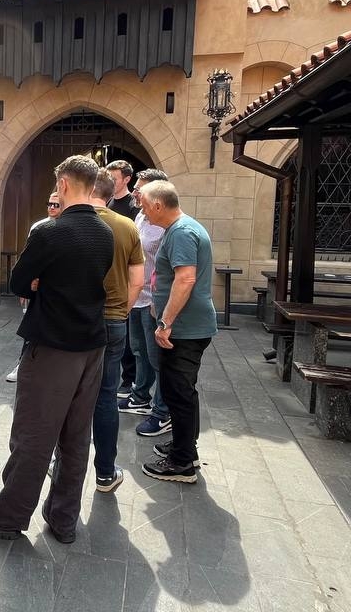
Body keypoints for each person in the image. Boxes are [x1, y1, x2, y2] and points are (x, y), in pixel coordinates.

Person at [0, 155, 113, 544]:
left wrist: (40, 283)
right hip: (92, 347)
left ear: (63, 184)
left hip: (53, 346)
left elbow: (18, 282)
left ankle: (8, 515)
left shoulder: (50, 232)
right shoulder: (105, 232)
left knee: (33, 434)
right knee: (76, 436)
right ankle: (63, 518)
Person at [138, 180, 217, 484]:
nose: (143, 212)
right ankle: (186, 448)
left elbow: (185, 279)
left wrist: (165, 322)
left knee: (179, 393)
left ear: (158, 205)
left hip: (183, 329)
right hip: (185, 327)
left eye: (145, 205)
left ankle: (182, 463)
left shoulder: (182, 232)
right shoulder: (180, 229)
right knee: (181, 391)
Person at [88, 170, 144, 493]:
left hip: (77, 322)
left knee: (68, 394)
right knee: (106, 395)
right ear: (111, 195)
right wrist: (122, 310)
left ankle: (61, 464)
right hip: (113, 319)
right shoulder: (127, 226)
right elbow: (138, 280)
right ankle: (105, 473)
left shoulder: (68, 222)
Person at [119, 169, 173, 440]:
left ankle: (162, 411)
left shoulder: (166, 224)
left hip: (154, 299)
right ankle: (140, 396)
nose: (135, 192)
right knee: (138, 350)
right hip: (137, 295)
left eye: (140, 189)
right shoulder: (141, 215)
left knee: (157, 357)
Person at [6, 192, 61, 383]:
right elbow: (29, 258)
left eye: (56, 204)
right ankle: (22, 364)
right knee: (30, 328)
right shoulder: (39, 227)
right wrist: (26, 286)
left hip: (55, 290)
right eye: (49, 204)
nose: (52, 207)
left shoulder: (66, 227)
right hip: (36, 288)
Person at [106, 160, 139, 398]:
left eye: (114, 178)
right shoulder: (107, 202)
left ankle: (129, 380)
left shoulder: (132, 207)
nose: (110, 182)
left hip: (125, 276)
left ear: (127, 179)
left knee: (127, 338)